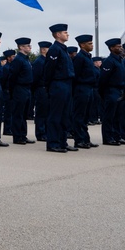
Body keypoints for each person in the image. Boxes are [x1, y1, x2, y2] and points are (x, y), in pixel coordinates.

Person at [42, 24, 74, 153]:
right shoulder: (55, 49)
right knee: (56, 115)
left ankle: (62, 141)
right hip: (58, 84)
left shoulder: (63, 49)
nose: (67, 34)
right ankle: (53, 143)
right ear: (58, 34)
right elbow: (49, 70)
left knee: (65, 115)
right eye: (65, 32)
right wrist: (49, 86)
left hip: (66, 84)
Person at [71, 34, 99, 149]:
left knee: (86, 116)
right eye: (89, 43)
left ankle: (85, 138)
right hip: (81, 88)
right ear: (82, 45)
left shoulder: (87, 57)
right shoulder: (80, 57)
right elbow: (75, 75)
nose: (92, 45)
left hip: (89, 88)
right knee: (79, 116)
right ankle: (79, 140)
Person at [7, 38, 35, 144]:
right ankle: (17, 136)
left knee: (24, 114)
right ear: (21, 47)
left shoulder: (26, 59)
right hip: (19, 88)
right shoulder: (18, 59)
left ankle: (23, 135)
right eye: (27, 46)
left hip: (27, 88)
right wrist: (13, 91)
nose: (30, 47)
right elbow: (13, 76)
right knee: (18, 113)